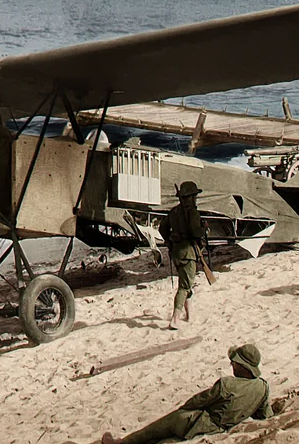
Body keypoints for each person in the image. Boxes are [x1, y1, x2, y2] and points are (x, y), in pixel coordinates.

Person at [101, 344, 272, 444]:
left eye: (234, 363)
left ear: (242, 366)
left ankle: (120, 443)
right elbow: (265, 416)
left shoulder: (227, 384)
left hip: (201, 423)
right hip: (221, 428)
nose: (232, 365)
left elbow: (197, 401)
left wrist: (182, 411)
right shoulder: (263, 388)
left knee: (157, 428)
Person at [159, 181, 207, 330]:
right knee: (185, 286)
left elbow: (162, 228)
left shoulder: (174, 212)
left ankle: (189, 315)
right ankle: (175, 319)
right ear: (192, 197)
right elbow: (195, 232)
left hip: (176, 252)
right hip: (188, 252)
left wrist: (170, 240)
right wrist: (204, 229)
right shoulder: (192, 212)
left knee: (186, 283)